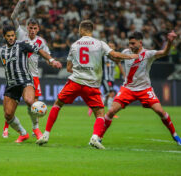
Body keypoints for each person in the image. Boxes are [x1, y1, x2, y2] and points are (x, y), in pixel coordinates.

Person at [36, 20, 138, 149]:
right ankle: (95, 138)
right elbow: (115, 55)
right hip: (92, 84)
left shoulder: (74, 45)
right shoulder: (100, 44)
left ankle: (45, 134)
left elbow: (68, 68)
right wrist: (132, 56)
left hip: (75, 81)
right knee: (100, 113)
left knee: (58, 104)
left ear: (82, 30)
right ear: (92, 30)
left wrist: (81, 70)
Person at [100, 31, 181, 146]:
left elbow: (164, 52)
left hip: (145, 89)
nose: (130, 46)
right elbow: (117, 60)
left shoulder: (148, 54)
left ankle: (175, 136)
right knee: (111, 111)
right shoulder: (126, 52)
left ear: (140, 42)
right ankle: (98, 137)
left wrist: (169, 42)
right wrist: (108, 54)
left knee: (160, 111)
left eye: (133, 43)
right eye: (129, 43)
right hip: (128, 89)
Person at [1, 0, 52, 139]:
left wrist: (52, 60)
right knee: (11, 105)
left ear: (38, 29)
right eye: (30, 28)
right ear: (27, 27)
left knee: (33, 105)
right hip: (18, 75)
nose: (32, 30)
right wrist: (20, 2)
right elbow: (12, 17)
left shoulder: (41, 41)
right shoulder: (20, 35)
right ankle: (7, 128)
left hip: (33, 76)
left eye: (35, 28)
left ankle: (35, 130)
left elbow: (45, 54)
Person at [88, 41, 125, 117]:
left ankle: (93, 106)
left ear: (115, 47)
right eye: (109, 46)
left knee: (107, 95)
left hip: (111, 79)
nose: (111, 47)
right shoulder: (104, 55)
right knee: (111, 93)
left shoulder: (115, 56)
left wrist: (124, 75)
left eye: (112, 46)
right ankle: (110, 112)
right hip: (105, 78)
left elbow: (119, 65)